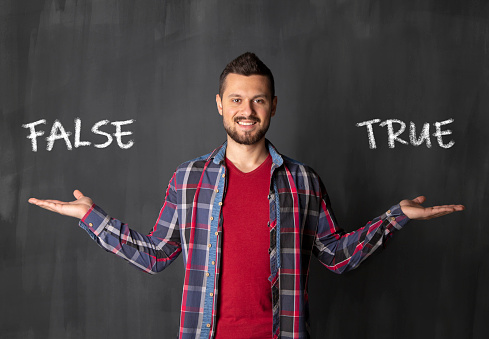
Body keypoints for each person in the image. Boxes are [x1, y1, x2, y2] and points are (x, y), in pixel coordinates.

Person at [28, 52, 464, 339]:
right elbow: (157, 255)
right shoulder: (189, 179)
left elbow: (336, 256)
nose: (247, 111)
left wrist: (396, 216)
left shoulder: (303, 181)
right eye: (236, 99)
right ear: (219, 103)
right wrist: (90, 216)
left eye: (258, 100)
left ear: (274, 105)